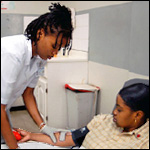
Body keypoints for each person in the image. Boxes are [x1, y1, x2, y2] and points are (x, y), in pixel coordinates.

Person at [1, 3, 73, 149]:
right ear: (40, 34)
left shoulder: (40, 59)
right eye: (54, 46)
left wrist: (43, 126)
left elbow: (28, 94)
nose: (55, 53)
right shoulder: (13, 53)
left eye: (59, 49)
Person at [17, 83, 149, 149]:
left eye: (119, 110)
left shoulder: (144, 142)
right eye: (115, 106)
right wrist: (31, 136)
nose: (114, 112)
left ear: (137, 115)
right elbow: (72, 137)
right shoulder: (103, 121)